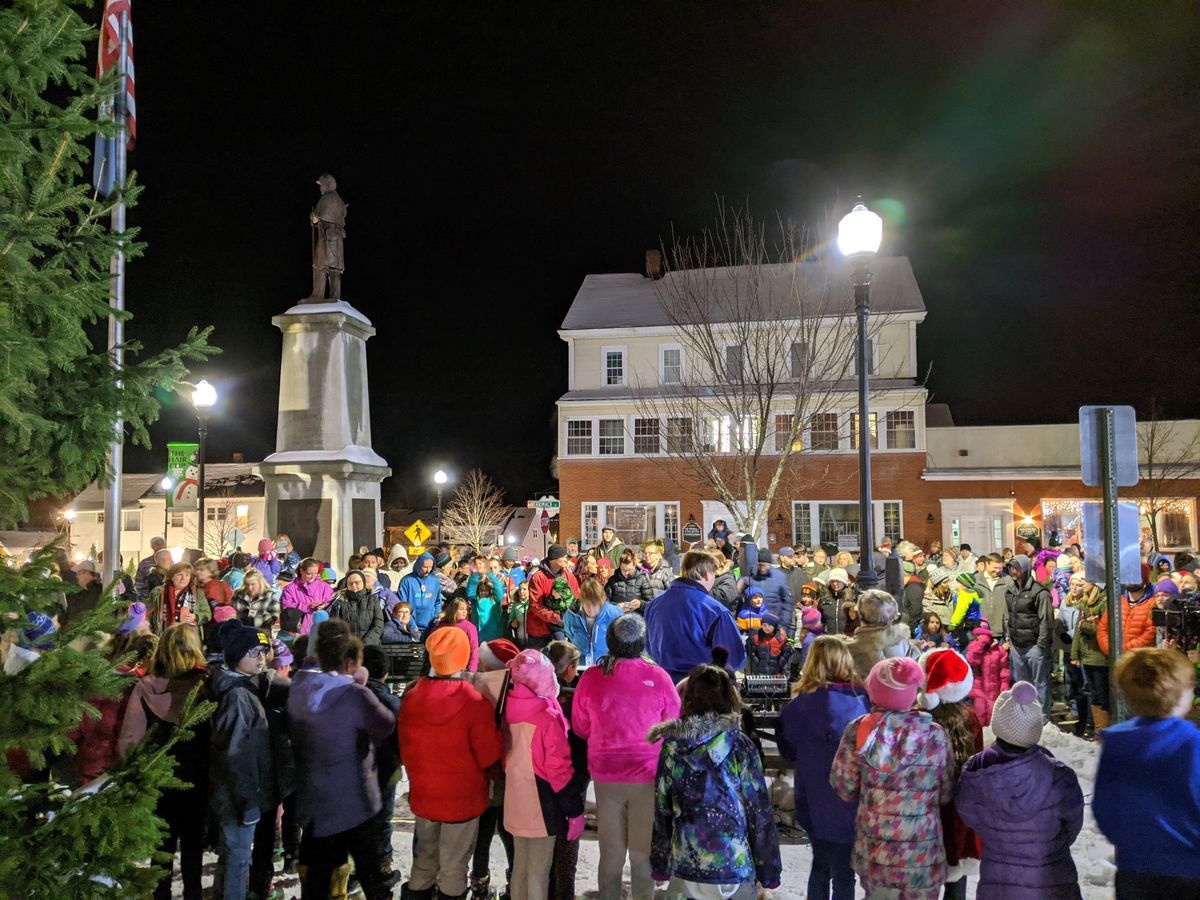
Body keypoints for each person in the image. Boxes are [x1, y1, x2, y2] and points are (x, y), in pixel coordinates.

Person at [649, 664, 782, 899]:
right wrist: (768, 869)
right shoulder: (740, 745)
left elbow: (663, 808)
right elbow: (758, 811)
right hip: (734, 863)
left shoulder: (672, 747)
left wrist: (660, 863)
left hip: (687, 862)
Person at [572, 615, 681, 900]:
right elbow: (673, 724)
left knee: (610, 850)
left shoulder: (592, 676)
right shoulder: (658, 676)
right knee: (642, 852)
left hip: (606, 774)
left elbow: (581, 726)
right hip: (646, 772)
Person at [830, 656, 955, 899]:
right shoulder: (935, 734)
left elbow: (843, 786)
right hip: (922, 855)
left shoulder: (859, 730)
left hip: (877, 856)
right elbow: (946, 792)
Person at [288, 619, 395, 900]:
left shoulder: (299, 687)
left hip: (318, 796)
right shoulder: (353, 693)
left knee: (318, 876)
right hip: (356, 796)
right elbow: (385, 725)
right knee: (370, 871)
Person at [398, 627, 504, 900]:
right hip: (463, 799)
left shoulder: (411, 696)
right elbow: (488, 754)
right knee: (454, 868)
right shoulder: (473, 700)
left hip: (424, 794)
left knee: (423, 862)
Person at [956, 681, 1084, 899]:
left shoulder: (975, 773)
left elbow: (968, 814)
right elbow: (1072, 824)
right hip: (1051, 879)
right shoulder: (1059, 777)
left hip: (999, 881)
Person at [1094, 648, 1200, 898]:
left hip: (1135, 867)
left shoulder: (1116, 742)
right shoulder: (1191, 742)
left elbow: (1105, 807)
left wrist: (1128, 842)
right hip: (1188, 868)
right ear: (1178, 695)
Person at [119, 624, 211, 900]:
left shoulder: (145, 686)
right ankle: (193, 893)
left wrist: (131, 774)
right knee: (194, 845)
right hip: (198, 776)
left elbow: (130, 738)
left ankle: (161, 894)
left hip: (158, 776)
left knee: (161, 846)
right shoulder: (205, 685)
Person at [776, 637, 870, 900]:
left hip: (813, 797)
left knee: (819, 865)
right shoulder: (862, 702)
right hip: (851, 798)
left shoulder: (798, 707)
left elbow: (787, 749)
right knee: (844, 870)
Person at [502, 650, 584, 900]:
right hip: (542, 804)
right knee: (539, 872)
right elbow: (558, 769)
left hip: (514, 797)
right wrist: (574, 809)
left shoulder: (507, 708)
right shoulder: (548, 716)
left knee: (520, 869)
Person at [207, 622, 274, 900]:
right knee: (238, 860)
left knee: (232, 856)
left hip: (235, 793)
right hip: (237, 796)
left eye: (264, 652)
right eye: (254, 653)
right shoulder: (237, 697)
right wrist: (247, 801)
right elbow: (236, 756)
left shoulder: (242, 687)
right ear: (235, 656)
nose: (261, 659)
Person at [916, 650, 982, 900]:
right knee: (957, 883)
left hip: (924, 806)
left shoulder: (918, 717)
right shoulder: (969, 717)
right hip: (958, 808)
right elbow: (977, 763)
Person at [645, 550, 747, 682]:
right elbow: (733, 658)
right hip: (701, 688)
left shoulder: (653, 605)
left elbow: (647, 648)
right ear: (706, 575)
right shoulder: (715, 611)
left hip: (662, 685)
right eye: (714, 575)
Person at [545, 642, 589, 900]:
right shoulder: (575, 698)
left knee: (548, 842)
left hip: (546, 778)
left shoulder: (539, 694)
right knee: (568, 844)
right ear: (570, 668)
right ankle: (564, 894)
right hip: (574, 776)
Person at [360, 645, 401, 885]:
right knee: (383, 818)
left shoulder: (352, 695)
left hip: (357, 768)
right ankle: (382, 866)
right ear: (386, 673)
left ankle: (356, 868)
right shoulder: (393, 702)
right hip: (387, 769)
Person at [1004, 553, 1055, 719]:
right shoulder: (1010, 591)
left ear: (1025, 569)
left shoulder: (1039, 592)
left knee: (1040, 682)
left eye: (1016, 567)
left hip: (1034, 646)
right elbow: (1008, 616)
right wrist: (1009, 639)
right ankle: (1023, 715)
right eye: (1011, 567)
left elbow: (1046, 620)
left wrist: (1041, 644)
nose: (1013, 571)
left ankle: (1042, 716)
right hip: (1016, 645)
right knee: (1020, 683)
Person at [843, 588, 920, 680]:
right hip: (901, 693)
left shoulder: (847, 650)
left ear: (860, 613)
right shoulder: (902, 642)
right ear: (893, 615)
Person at [1069, 575, 1111, 735]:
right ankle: (1098, 729)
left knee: (1102, 694)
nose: (1081, 584)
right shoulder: (1084, 604)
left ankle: (1104, 730)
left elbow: (1102, 629)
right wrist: (1075, 654)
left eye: (1085, 581)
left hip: (1100, 656)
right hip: (1087, 655)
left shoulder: (1104, 602)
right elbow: (1077, 633)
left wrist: (1084, 624)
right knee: (1092, 693)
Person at [526, 545, 580, 649]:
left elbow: (576, 599)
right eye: (563, 557)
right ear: (554, 559)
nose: (566, 560)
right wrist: (557, 618)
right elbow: (536, 605)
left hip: (562, 629)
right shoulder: (538, 577)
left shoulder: (569, 577)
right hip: (540, 630)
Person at [562, 577, 622, 666]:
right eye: (587, 604)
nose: (591, 609)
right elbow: (569, 634)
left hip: (606, 664)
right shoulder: (570, 615)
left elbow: (620, 640)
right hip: (581, 664)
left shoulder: (615, 614)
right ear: (581, 601)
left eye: (595, 604)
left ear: (601, 601)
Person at [966, 619, 1010, 727]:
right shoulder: (973, 647)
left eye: (982, 634)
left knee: (993, 713)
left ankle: (992, 737)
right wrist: (980, 645)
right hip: (978, 689)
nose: (980, 637)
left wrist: (1004, 684)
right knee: (979, 712)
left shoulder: (999, 650)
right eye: (978, 635)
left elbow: (1004, 669)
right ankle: (980, 737)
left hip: (994, 690)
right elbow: (972, 660)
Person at [329, 569, 385, 646]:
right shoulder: (340, 603)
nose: (354, 585)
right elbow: (335, 627)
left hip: (370, 647)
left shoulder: (373, 600)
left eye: (357, 582)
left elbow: (378, 625)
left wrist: (364, 643)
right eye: (350, 583)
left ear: (364, 583)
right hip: (348, 649)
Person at [149, 561, 209, 633]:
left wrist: (196, 617)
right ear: (171, 577)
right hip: (164, 635)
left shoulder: (197, 593)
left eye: (187, 575)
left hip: (189, 636)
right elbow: (149, 615)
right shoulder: (157, 592)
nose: (183, 578)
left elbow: (207, 613)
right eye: (179, 575)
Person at [737, 548, 794, 623]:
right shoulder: (749, 576)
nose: (762, 568)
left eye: (765, 565)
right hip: (752, 622)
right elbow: (736, 598)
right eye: (760, 565)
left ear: (770, 564)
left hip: (773, 624)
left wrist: (784, 625)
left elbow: (787, 604)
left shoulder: (780, 577)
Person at [279, 557, 333, 636]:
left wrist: (324, 606)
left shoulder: (325, 587)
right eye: (309, 573)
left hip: (321, 630)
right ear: (301, 571)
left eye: (315, 573)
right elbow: (286, 607)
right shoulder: (290, 588)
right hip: (299, 631)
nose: (312, 576)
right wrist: (306, 606)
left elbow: (332, 604)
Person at [429, 597, 481, 672]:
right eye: (461, 609)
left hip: (462, 668)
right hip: (442, 667)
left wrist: (471, 670)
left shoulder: (470, 628)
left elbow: (474, 650)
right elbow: (433, 644)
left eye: (466, 609)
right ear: (453, 610)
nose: (464, 612)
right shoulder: (442, 625)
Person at [397, 551, 442, 635]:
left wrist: (436, 618)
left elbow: (438, 602)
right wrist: (412, 625)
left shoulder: (435, 581)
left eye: (430, 567)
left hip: (430, 626)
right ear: (418, 565)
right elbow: (402, 605)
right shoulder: (407, 581)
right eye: (425, 567)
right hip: (411, 626)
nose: (428, 570)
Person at [467, 561, 507, 642]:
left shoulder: (495, 600)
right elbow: (470, 589)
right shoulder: (475, 600)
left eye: (486, 590)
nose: (483, 592)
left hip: (493, 635)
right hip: (479, 636)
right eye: (481, 590)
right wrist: (477, 575)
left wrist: (489, 574)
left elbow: (498, 588)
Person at [606, 547, 655, 613]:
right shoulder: (612, 580)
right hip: (617, 619)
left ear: (634, 565)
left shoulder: (642, 579)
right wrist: (616, 606)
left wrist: (640, 604)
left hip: (637, 619)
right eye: (623, 570)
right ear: (619, 566)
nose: (626, 573)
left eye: (629, 570)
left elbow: (652, 604)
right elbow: (604, 603)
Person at [975, 553, 1011, 643]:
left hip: (1001, 632)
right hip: (980, 632)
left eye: (1000, 568)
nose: (998, 571)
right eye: (995, 568)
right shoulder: (976, 580)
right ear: (987, 564)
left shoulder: (1007, 580)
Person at [819, 570, 853, 636]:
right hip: (829, 639)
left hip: (846, 640)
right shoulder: (824, 599)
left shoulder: (852, 599)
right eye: (832, 581)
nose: (835, 584)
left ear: (844, 582)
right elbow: (820, 620)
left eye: (838, 581)